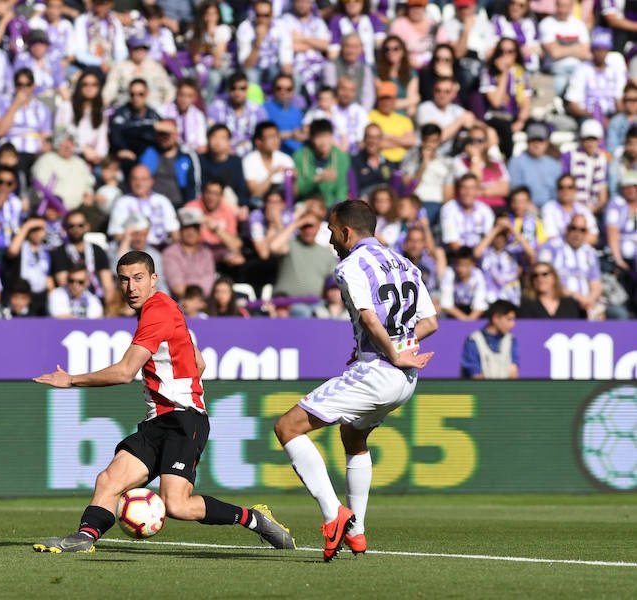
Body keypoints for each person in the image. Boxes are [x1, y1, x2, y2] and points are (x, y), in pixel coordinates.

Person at [32, 250, 295, 554]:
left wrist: (72, 380)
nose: (131, 287)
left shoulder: (157, 311)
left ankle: (254, 518)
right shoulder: (165, 308)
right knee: (108, 480)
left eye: (138, 278)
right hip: (158, 420)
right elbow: (199, 363)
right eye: (124, 280)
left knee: (177, 504)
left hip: (184, 419)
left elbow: (125, 371)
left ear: (154, 279)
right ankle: (84, 538)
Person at [273, 200, 437, 562]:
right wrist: (398, 350)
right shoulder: (406, 263)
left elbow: (368, 316)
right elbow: (430, 321)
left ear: (346, 231)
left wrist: (388, 352)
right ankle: (357, 532)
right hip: (406, 378)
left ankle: (334, 516)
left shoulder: (350, 266)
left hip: (379, 371)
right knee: (353, 436)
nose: (330, 239)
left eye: (332, 231)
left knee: (287, 427)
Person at [460, 300, 519, 380]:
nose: (513, 324)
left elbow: (513, 373)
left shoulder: (511, 340)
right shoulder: (473, 340)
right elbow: (475, 376)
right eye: (509, 319)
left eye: (513, 320)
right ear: (496, 318)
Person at [508, 122, 562, 208]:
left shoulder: (554, 165)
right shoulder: (516, 162)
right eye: (533, 140)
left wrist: (550, 210)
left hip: (551, 209)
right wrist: (531, 208)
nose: (536, 144)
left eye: (540, 141)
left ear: (546, 143)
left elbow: (558, 192)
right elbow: (516, 190)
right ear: (527, 142)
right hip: (525, 208)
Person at [516, 261, 582, 319]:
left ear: (554, 277)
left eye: (545, 274)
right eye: (535, 275)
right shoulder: (525, 303)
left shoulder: (570, 303)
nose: (540, 279)